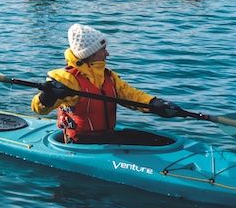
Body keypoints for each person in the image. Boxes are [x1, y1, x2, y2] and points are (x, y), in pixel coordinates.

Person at [31, 23, 186, 143]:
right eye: (103, 49)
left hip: (106, 137)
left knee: (159, 140)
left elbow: (130, 95)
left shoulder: (108, 76)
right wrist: (47, 96)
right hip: (81, 143)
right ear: (90, 54)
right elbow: (39, 110)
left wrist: (155, 103)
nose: (108, 53)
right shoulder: (67, 79)